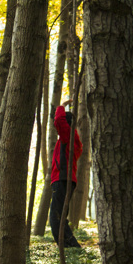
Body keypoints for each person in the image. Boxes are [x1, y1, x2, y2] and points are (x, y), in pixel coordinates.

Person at [49, 104, 82, 248]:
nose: (57, 128)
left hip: (62, 179)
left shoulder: (68, 135)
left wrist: (62, 105)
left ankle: (72, 248)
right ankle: (70, 249)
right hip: (63, 180)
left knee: (56, 219)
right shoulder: (70, 139)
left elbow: (58, 120)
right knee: (60, 217)